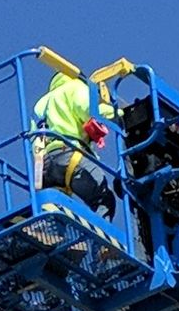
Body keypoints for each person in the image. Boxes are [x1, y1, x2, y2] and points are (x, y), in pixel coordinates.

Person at [32, 70, 117, 220]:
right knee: (103, 198)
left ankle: (49, 233)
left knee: (55, 210)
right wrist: (119, 113)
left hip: (44, 164)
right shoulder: (75, 87)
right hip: (70, 153)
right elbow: (90, 112)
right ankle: (100, 242)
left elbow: (33, 139)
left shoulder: (40, 105)